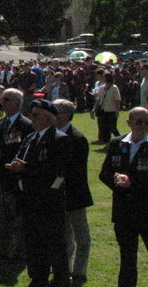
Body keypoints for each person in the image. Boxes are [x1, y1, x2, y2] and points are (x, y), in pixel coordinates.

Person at [5, 98, 70, 287]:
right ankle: (37, 277)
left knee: (54, 245)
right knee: (33, 243)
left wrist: (26, 169)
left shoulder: (58, 139)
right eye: (31, 114)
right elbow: (21, 158)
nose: (31, 118)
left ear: (49, 118)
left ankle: (60, 280)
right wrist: (15, 166)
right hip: (28, 200)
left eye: (35, 115)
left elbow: (58, 172)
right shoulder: (30, 137)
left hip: (48, 202)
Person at [100, 106, 148, 287]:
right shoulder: (117, 143)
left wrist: (132, 182)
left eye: (147, 122)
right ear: (129, 123)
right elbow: (104, 173)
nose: (143, 126)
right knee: (127, 260)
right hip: (124, 213)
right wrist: (115, 179)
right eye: (138, 122)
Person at [0, 87, 34, 261]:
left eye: (6, 100)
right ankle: (3, 247)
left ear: (17, 103)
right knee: (2, 215)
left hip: (16, 178)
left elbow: (25, 151)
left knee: (17, 215)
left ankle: (19, 250)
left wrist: (3, 154)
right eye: (2, 100)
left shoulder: (26, 125)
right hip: (0, 176)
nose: (2, 103)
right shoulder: (0, 123)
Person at [54, 99, 93, 284]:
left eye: (57, 111)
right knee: (63, 236)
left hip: (75, 193)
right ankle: (64, 269)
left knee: (81, 237)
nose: (53, 114)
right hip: (57, 194)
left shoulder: (77, 138)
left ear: (67, 115)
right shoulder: (50, 135)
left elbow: (75, 170)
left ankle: (79, 271)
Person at [91, 72, 121, 143]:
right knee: (105, 128)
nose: (102, 78)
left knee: (113, 128)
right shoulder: (102, 88)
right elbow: (98, 100)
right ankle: (107, 143)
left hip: (111, 111)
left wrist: (117, 111)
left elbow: (118, 100)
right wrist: (94, 109)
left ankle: (120, 140)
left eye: (104, 77)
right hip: (103, 111)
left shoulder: (114, 88)